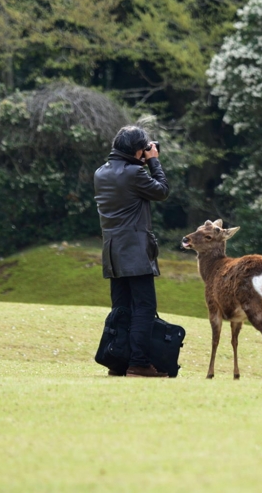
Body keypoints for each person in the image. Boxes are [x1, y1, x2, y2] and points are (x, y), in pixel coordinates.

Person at [94, 125, 170, 378]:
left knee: (122, 308)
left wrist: (142, 160)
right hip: (135, 250)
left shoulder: (101, 173)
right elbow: (161, 191)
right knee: (144, 307)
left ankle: (118, 361)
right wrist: (154, 162)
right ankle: (138, 363)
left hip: (113, 251)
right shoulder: (135, 173)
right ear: (138, 150)